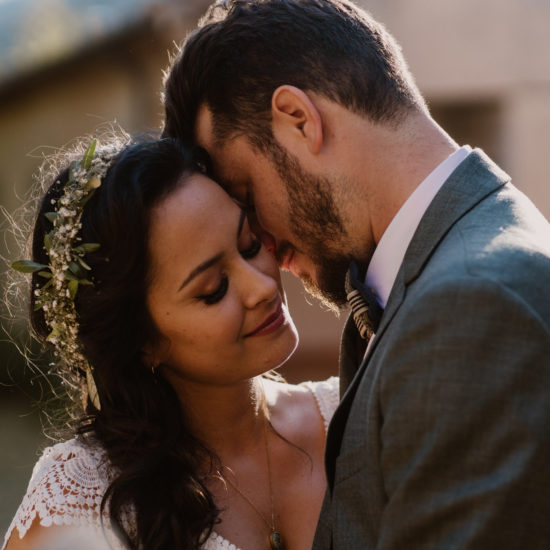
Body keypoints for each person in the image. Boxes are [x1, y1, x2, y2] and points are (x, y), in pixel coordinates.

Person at [161, 0, 550, 548]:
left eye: (248, 198)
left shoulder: (470, 307)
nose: (263, 248)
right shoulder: (449, 268)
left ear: (299, 119)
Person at [3, 135, 339, 550]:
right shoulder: (76, 500)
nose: (263, 287)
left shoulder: (354, 416)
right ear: (142, 341)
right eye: (213, 288)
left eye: (250, 244)